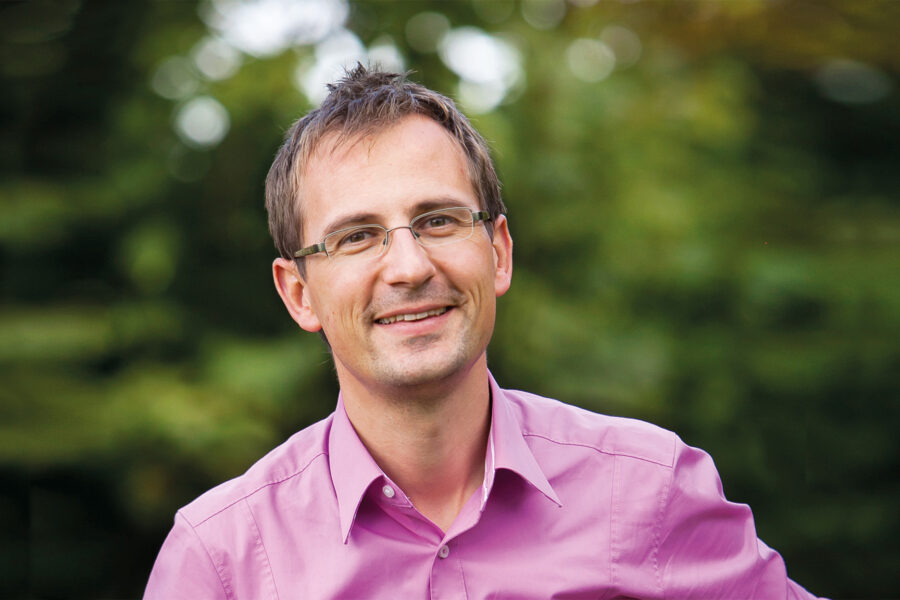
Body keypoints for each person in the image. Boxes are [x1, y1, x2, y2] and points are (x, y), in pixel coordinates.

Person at [144, 65, 825, 599]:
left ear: (498, 252)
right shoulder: (223, 560)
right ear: (298, 293)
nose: (409, 267)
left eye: (438, 221)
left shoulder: (649, 492)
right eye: (356, 237)